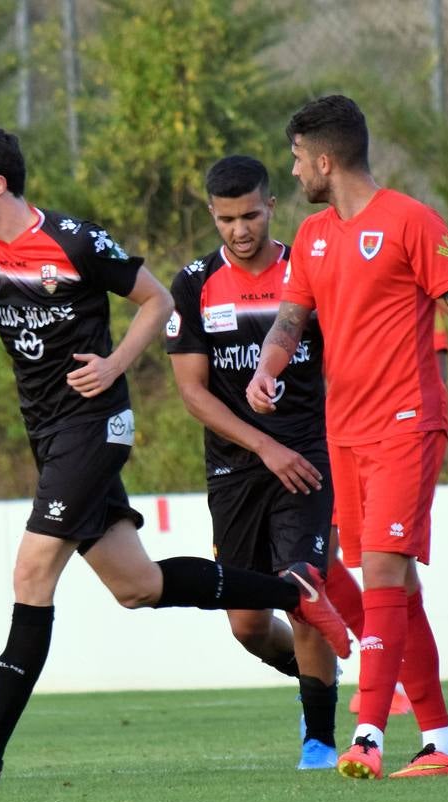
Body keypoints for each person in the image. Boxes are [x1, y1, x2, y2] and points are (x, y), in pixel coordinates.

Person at [0, 126, 350, 788]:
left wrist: (113, 363)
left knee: (32, 574)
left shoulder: (74, 240)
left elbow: (157, 300)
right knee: (135, 587)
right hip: (50, 435)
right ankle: (295, 591)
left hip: (94, 427)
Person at [247, 95, 448, 779]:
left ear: (326, 160)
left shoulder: (411, 221)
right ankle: (441, 746)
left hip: (407, 420)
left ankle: (366, 733)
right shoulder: (312, 237)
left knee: (387, 572)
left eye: (299, 158)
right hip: (345, 430)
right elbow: (291, 318)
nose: (294, 169)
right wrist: (267, 370)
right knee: (394, 587)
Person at [165, 154, 339, 770]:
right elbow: (192, 391)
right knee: (246, 625)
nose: (240, 230)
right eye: (226, 219)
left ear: (271, 207)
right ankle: (318, 684)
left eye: (251, 215)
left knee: (305, 588)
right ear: (212, 215)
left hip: (309, 459)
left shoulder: (308, 268)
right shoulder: (192, 284)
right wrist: (262, 444)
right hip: (236, 468)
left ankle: (319, 739)